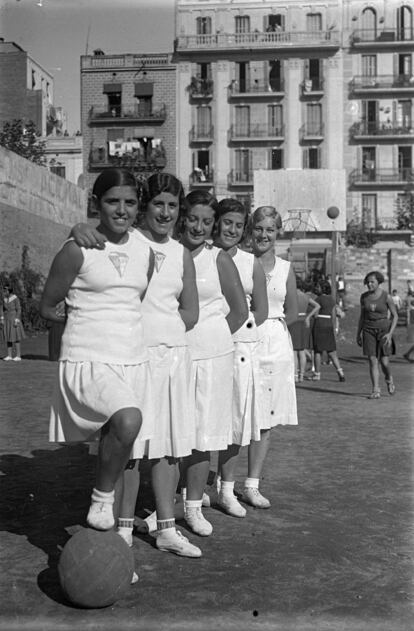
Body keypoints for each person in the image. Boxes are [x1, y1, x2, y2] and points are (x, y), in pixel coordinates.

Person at [71, 172, 202, 558]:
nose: (165, 213)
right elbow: (91, 243)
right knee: (129, 445)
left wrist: (168, 332)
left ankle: (165, 528)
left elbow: (191, 310)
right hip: (132, 356)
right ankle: (123, 531)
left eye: (173, 206)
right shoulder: (127, 240)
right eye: (158, 204)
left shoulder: (180, 252)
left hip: (173, 356)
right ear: (145, 208)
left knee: (169, 448)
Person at [40, 168, 154, 545]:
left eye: (130, 202)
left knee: (121, 453)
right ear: (96, 204)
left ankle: (112, 550)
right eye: (111, 201)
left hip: (132, 361)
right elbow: (47, 306)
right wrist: (83, 325)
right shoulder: (77, 247)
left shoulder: (145, 249)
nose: (121, 210)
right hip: (89, 360)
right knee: (127, 421)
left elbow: (131, 301)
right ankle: (101, 499)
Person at [177, 190, 248, 535]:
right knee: (173, 432)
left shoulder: (218, 258)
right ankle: (170, 502)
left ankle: (192, 507)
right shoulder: (168, 252)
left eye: (207, 221)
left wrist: (213, 337)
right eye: (193, 219)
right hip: (173, 354)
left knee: (204, 434)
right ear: (182, 217)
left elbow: (241, 311)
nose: (200, 227)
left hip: (212, 357)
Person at [212, 198, 268, 516]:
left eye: (238, 224)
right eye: (226, 222)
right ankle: (186, 490)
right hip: (203, 347)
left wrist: (232, 331)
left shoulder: (250, 263)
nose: (232, 229)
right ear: (216, 222)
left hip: (240, 347)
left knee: (236, 420)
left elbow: (260, 310)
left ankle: (226, 488)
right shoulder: (200, 256)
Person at [246, 206, 298, 507]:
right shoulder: (239, 263)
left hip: (275, 345)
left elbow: (291, 312)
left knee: (265, 419)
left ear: (278, 233)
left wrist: (269, 331)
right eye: (259, 228)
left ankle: (252, 484)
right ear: (251, 230)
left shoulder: (285, 268)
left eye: (270, 229)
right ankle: (224, 485)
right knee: (238, 413)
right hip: (243, 342)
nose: (264, 235)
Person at [356, 271, 398, 398]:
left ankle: (389, 378)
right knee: (372, 360)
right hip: (368, 329)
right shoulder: (364, 297)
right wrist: (358, 333)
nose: (369, 284)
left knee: (384, 362)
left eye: (372, 282)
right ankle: (376, 390)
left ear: (378, 282)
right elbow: (362, 316)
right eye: (367, 282)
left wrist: (390, 334)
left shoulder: (386, 297)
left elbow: (395, 316)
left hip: (384, 330)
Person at [312, 281, 346, 382]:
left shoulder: (318, 299)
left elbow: (315, 313)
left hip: (319, 324)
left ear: (322, 288)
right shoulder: (332, 299)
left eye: (318, 287)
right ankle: (340, 372)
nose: (316, 288)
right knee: (332, 352)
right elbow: (333, 315)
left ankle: (317, 374)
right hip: (329, 325)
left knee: (317, 351)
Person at [288, 277, 320, 382]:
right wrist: (308, 316)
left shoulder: (291, 296)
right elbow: (317, 306)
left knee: (293, 351)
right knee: (301, 351)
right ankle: (301, 375)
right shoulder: (305, 296)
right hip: (303, 323)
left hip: (293, 322)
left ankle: (295, 375)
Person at [0, 283, 25, 361]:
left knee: (16, 337)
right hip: (7, 319)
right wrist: (2, 318)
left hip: (14, 319)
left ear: (9, 291)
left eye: (5, 290)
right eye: (4, 290)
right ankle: (9, 355)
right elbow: (1, 308)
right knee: (8, 337)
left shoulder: (15, 298)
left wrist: (17, 319)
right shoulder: (4, 299)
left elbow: (19, 309)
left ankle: (18, 355)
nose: (4, 292)